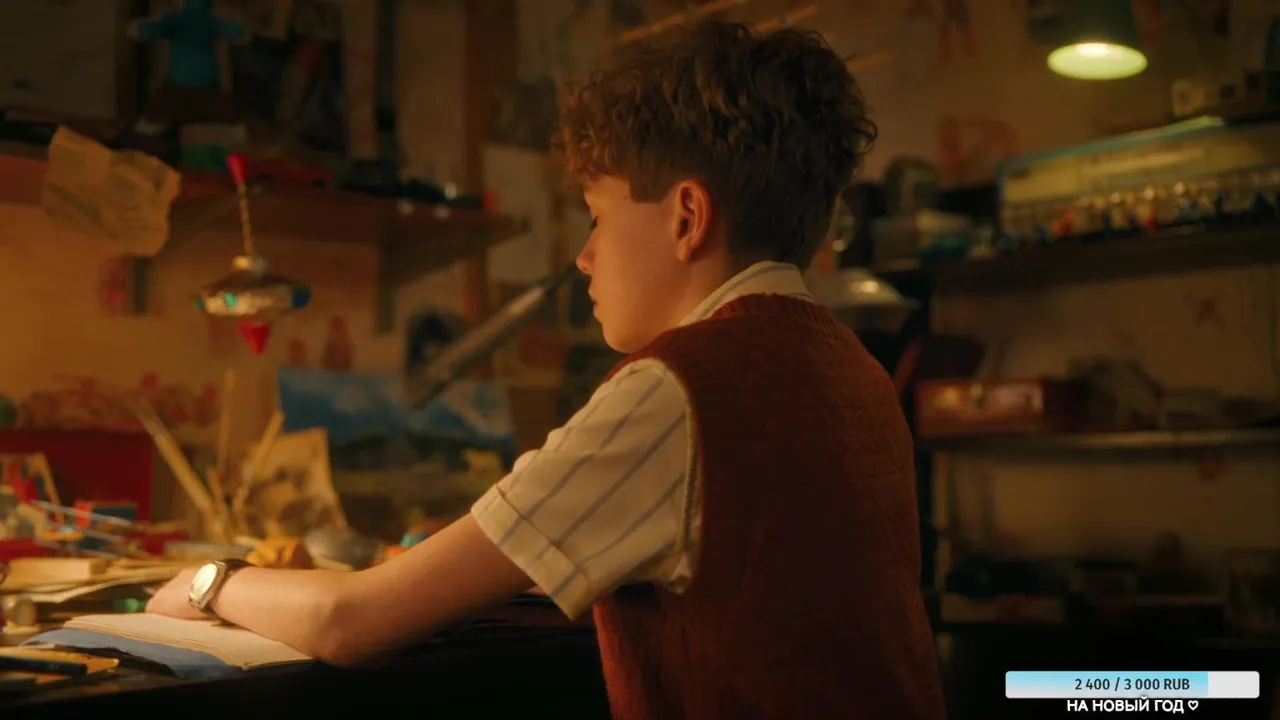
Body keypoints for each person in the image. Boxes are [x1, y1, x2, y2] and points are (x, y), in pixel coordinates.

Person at [147, 19, 946, 719]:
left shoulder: (678, 390)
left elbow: (350, 622)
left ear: (687, 217)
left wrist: (208, 582)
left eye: (598, 217)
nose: (585, 256)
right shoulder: (848, 367)